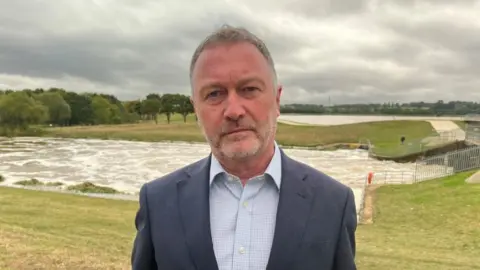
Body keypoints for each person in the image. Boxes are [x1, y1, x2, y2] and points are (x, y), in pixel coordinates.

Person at [131, 25, 357, 270]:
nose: (234, 111)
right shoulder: (158, 202)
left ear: (277, 99)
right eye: (215, 94)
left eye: (249, 89)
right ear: (196, 108)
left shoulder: (332, 203)